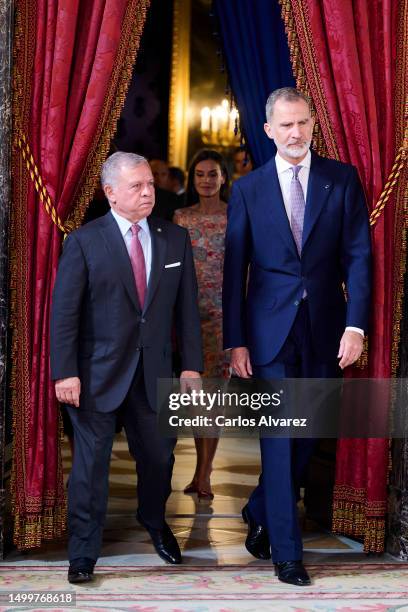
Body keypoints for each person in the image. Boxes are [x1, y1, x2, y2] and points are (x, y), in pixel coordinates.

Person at [222, 88, 371, 586]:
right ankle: (289, 555)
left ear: (313, 125)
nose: (295, 133)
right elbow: (234, 270)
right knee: (280, 437)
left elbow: (358, 258)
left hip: (327, 331)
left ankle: (261, 508)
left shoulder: (342, 180)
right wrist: (235, 340)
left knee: (306, 438)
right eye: (285, 125)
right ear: (268, 130)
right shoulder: (248, 189)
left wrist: (355, 325)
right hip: (268, 335)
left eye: (303, 123)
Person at [50, 152, 203, 584]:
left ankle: (154, 521)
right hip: (95, 376)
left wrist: (191, 367)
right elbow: (64, 314)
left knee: (159, 457)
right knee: (90, 468)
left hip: (154, 375)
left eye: (150, 184)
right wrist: (65, 372)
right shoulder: (83, 241)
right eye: (136, 186)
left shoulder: (175, 240)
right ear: (110, 192)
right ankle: (83, 553)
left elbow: (187, 311)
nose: (147, 192)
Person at [174, 149, 229, 500]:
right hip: (190, 316)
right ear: (193, 180)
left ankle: (205, 473)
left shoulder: (237, 215)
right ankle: (199, 468)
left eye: (213, 174)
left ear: (224, 178)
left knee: (215, 397)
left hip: (225, 316)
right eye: (200, 174)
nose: (206, 180)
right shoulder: (180, 217)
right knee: (197, 397)